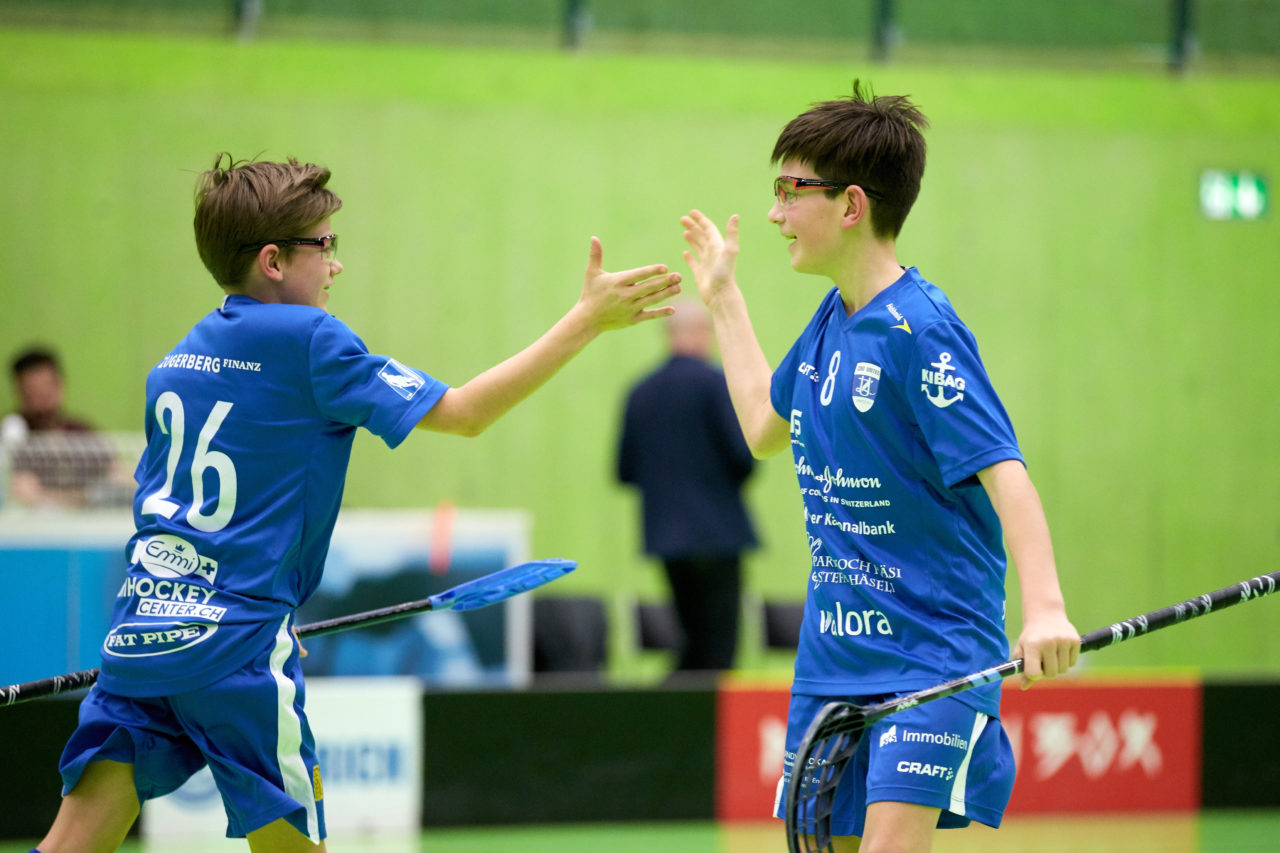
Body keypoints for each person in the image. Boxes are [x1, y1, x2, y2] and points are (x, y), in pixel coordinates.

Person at [34, 152, 681, 853]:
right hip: (239, 650)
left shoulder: (180, 356)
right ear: (275, 261)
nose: (336, 264)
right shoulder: (312, 341)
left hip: (139, 636)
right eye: (325, 245)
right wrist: (586, 320)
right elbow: (463, 413)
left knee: (71, 842)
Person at [679, 83, 1080, 851]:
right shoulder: (833, 318)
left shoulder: (922, 331)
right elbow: (765, 424)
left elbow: (1006, 473)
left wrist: (1046, 608)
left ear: (852, 205)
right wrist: (723, 298)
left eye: (789, 191)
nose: (774, 213)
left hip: (931, 656)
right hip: (833, 658)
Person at [617, 301, 758, 673]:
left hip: (667, 536)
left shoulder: (639, 392)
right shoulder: (715, 384)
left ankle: (687, 720)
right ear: (699, 333)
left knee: (689, 638)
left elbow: (624, 471)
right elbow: (744, 457)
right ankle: (716, 726)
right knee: (721, 644)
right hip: (719, 534)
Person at [3, 346, 116, 508]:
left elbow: (117, 473)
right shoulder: (9, 437)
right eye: (32, 395)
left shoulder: (81, 433)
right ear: (19, 392)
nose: (42, 405)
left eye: (47, 393)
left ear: (60, 386)